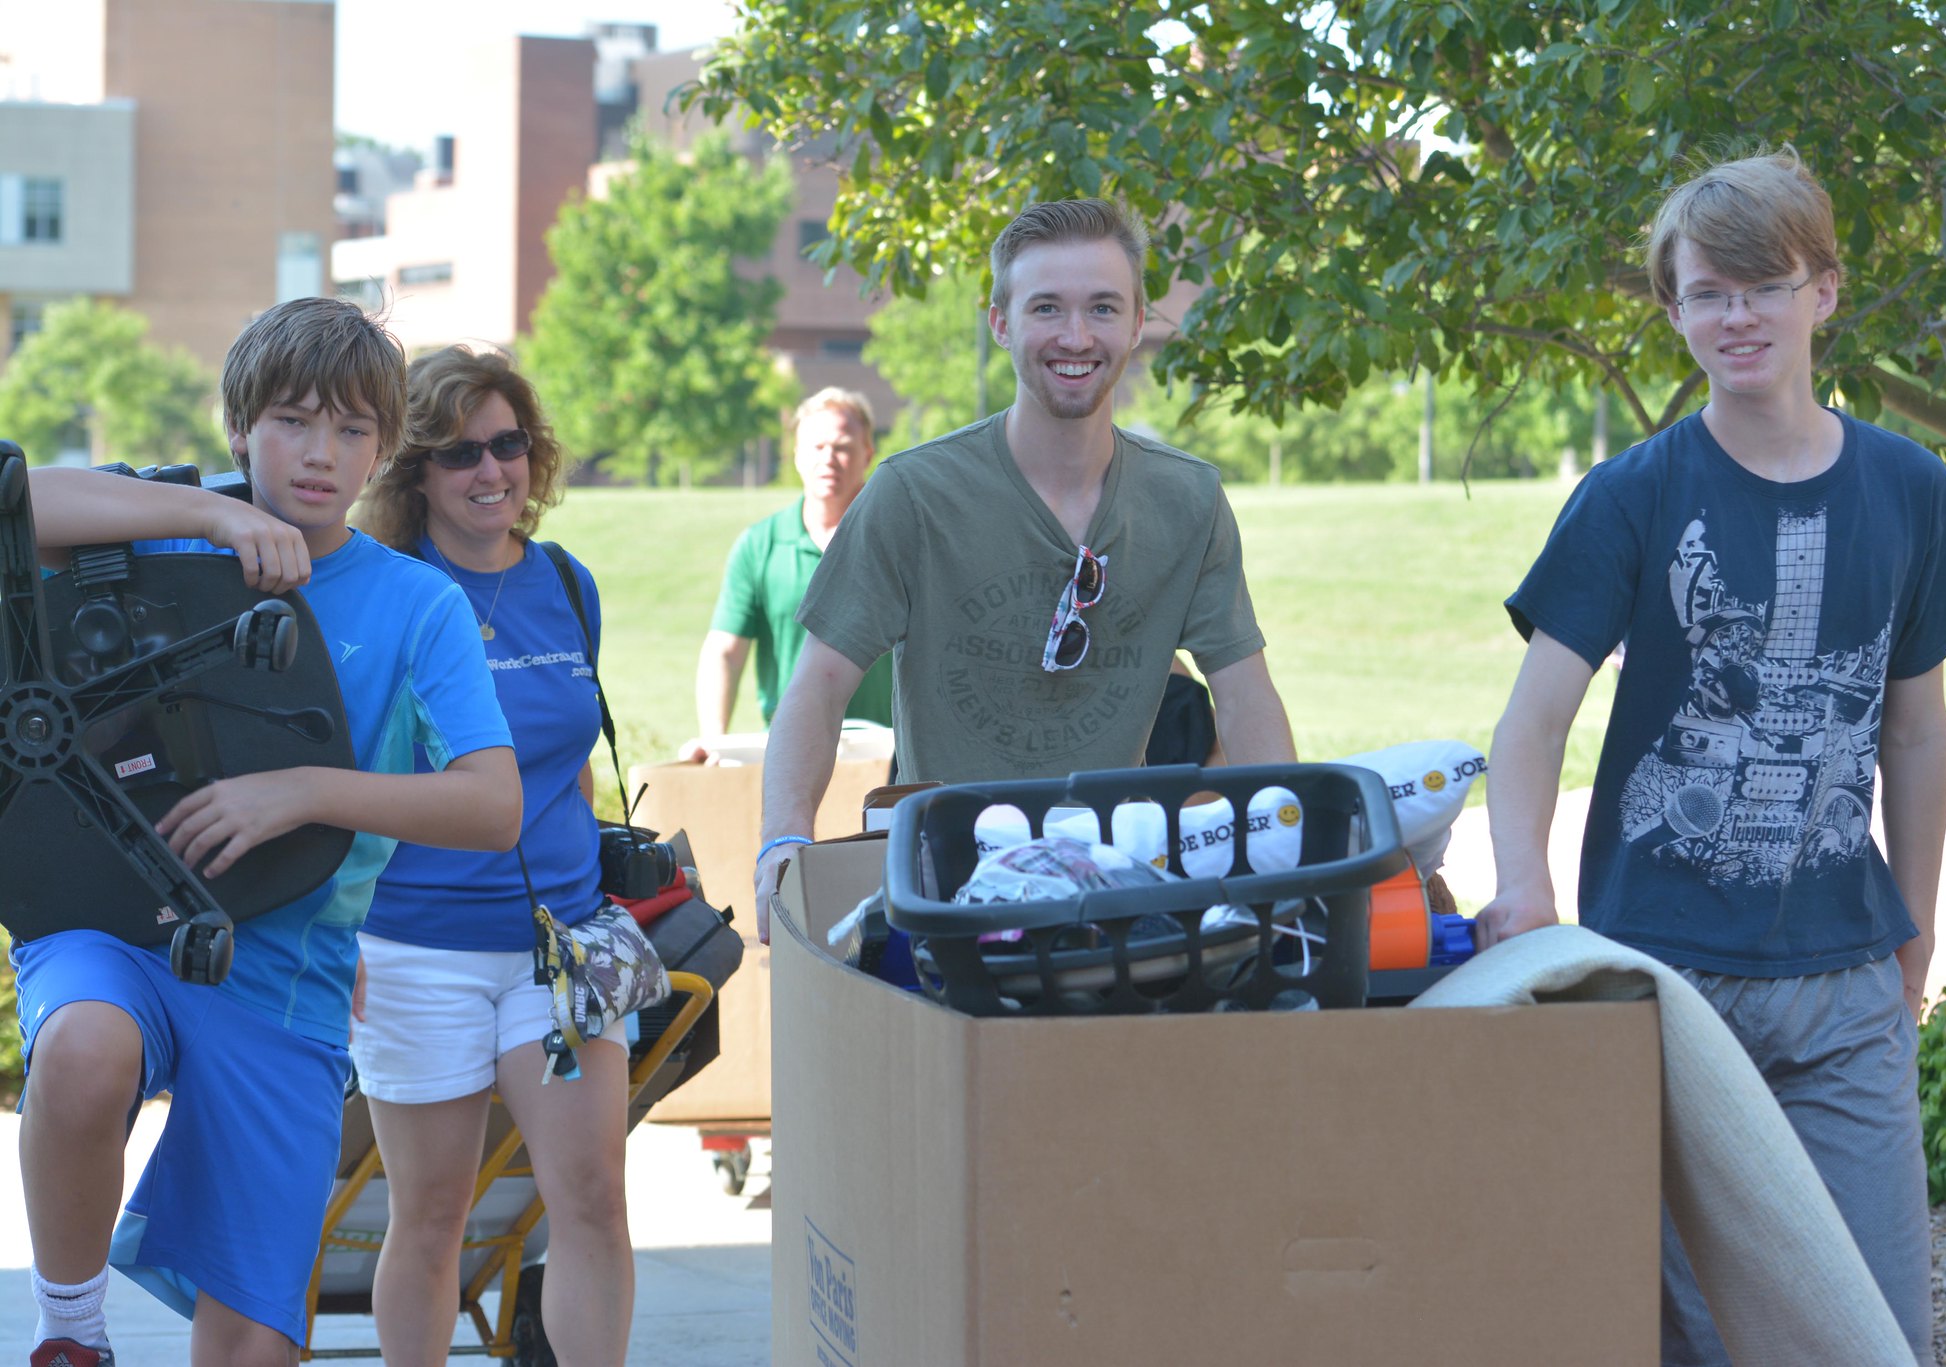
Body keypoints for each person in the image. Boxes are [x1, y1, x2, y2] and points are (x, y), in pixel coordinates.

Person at [1474, 148, 1946, 1365]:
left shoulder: (1910, 489)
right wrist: (1527, 892)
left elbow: (1914, 726)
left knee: (1874, 1331)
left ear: (1822, 290)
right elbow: (1530, 723)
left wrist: (1912, 929)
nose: (1733, 315)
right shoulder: (1632, 494)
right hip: (1667, 977)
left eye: (1761, 286)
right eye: (1704, 291)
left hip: (1844, 979)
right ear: (1671, 309)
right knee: (1703, 1338)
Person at [16, 298, 520, 1367]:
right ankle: (70, 1331)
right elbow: (21, 500)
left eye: (351, 430)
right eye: (293, 420)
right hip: (113, 922)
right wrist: (208, 516)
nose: (320, 454)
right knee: (82, 1049)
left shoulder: (418, 604)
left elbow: (491, 802)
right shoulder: (163, 527)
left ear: (384, 446)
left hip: (285, 973)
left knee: (250, 1348)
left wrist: (302, 789)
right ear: (240, 423)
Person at [753, 198, 1296, 939]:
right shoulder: (914, 495)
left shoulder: (1187, 499)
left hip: (1113, 893)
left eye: (1103, 307)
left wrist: (1286, 847)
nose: (1076, 336)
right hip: (942, 893)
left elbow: (1243, 696)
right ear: (1001, 323)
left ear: (1139, 322)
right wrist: (784, 841)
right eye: (1047, 308)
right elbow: (817, 686)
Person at [349, 346, 634, 1367]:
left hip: (559, 943)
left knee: (593, 1199)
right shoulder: (387, 593)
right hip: (416, 948)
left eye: (507, 443)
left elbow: (573, 771)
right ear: (414, 471)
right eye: (459, 451)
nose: (490, 471)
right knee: (430, 1216)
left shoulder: (566, 581)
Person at [687, 387, 893, 756]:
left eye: (842, 447)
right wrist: (714, 742)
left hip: (888, 752)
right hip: (792, 749)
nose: (829, 459)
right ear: (796, 454)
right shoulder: (760, 545)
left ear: (868, 454)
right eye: (817, 447)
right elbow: (725, 652)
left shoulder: (898, 538)